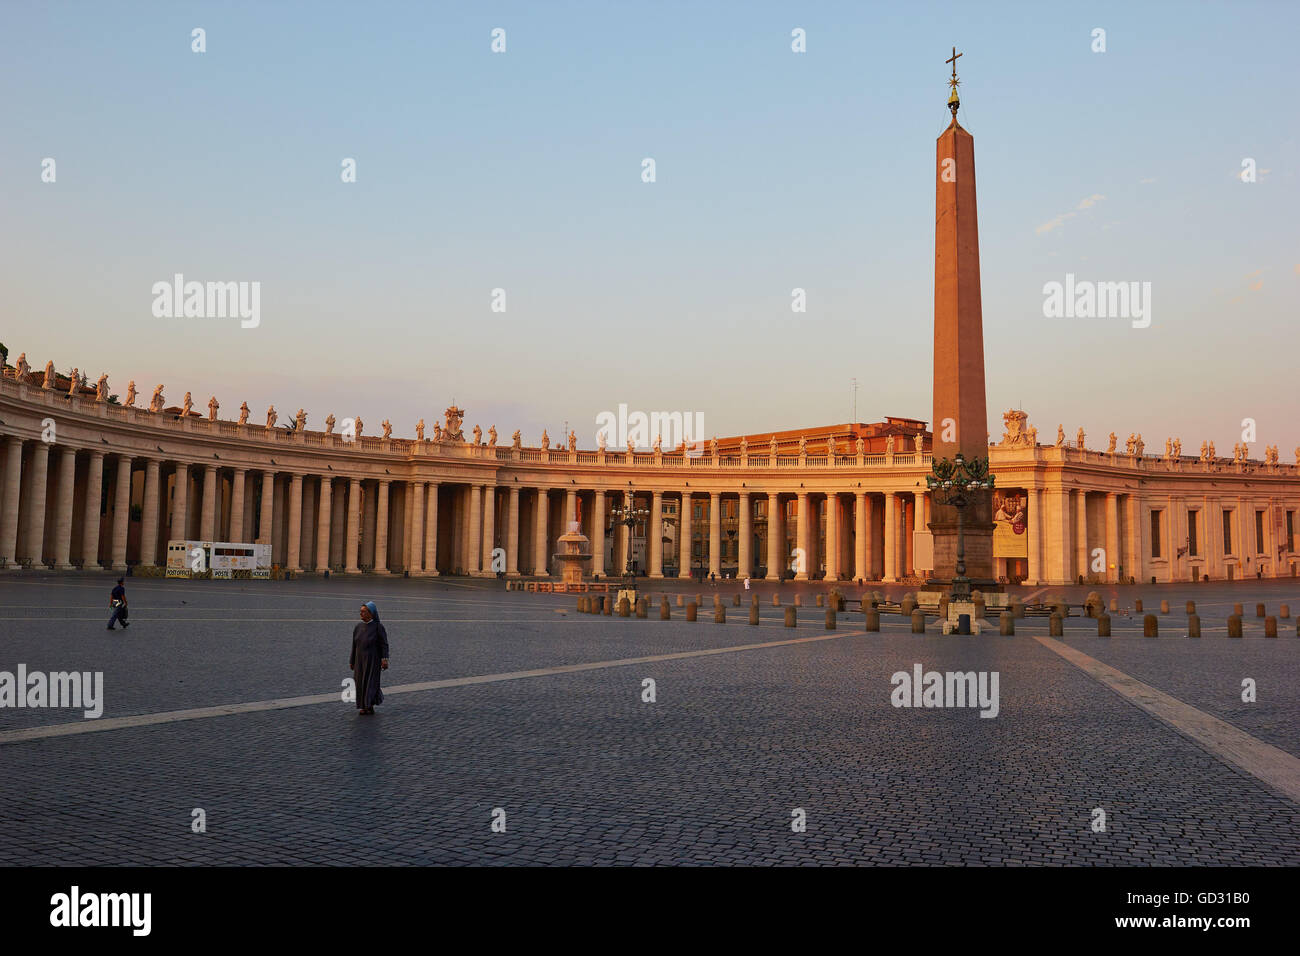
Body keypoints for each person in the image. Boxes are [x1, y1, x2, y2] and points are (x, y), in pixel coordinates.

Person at [350, 601, 389, 716]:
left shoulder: (378, 627)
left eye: (363, 612)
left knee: (370, 682)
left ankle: (369, 705)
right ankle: (363, 705)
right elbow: (354, 645)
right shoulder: (358, 627)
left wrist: (384, 659)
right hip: (359, 661)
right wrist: (352, 661)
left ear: (371, 614)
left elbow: (384, 644)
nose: (361, 614)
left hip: (373, 660)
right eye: (360, 612)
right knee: (360, 682)